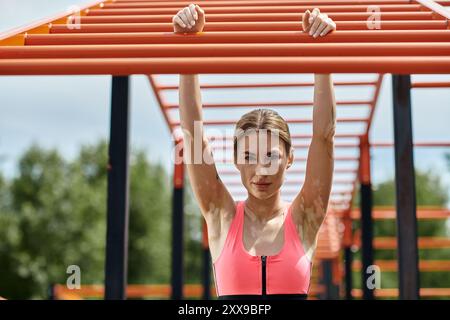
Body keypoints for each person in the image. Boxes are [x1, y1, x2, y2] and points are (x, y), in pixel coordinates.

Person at [173, 4, 337, 300]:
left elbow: (324, 136)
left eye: (271, 156)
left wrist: (321, 48)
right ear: (235, 160)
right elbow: (192, 135)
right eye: (248, 157)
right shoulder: (220, 214)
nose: (260, 170)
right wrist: (188, 44)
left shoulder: (305, 216)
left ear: (289, 159)